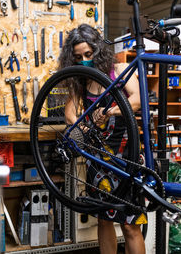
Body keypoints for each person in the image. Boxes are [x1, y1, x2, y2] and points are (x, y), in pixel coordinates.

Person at [59, 23, 145, 254]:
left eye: (89, 54)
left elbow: (137, 100)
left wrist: (111, 111)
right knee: (104, 219)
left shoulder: (119, 70)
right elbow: (69, 114)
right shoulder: (82, 81)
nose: (85, 60)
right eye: (79, 58)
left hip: (127, 155)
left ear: (98, 49)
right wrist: (85, 129)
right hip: (98, 159)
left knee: (130, 225)